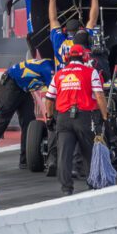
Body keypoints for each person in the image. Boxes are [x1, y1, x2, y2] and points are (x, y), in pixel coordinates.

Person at [44, 45, 108, 195]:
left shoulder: (59, 74)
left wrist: (48, 117)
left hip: (63, 118)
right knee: (90, 152)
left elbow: (49, 99)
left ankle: (66, 188)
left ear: (67, 58)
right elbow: (99, 95)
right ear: (84, 57)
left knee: (64, 155)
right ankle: (93, 184)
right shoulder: (91, 72)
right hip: (84, 117)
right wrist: (105, 116)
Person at [0, 58, 54, 170]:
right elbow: (51, 97)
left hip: (24, 88)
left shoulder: (49, 64)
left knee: (29, 123)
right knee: (2, 121)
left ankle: (26, 159)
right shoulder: (49, 69)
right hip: (11, 83)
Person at [47, 0, 100, 70]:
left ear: (65, 30)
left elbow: (53, 19)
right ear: (81, 29)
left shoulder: (59, 39)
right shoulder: (84, 39)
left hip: (62, 79)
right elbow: (93, 20)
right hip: (81, 76)